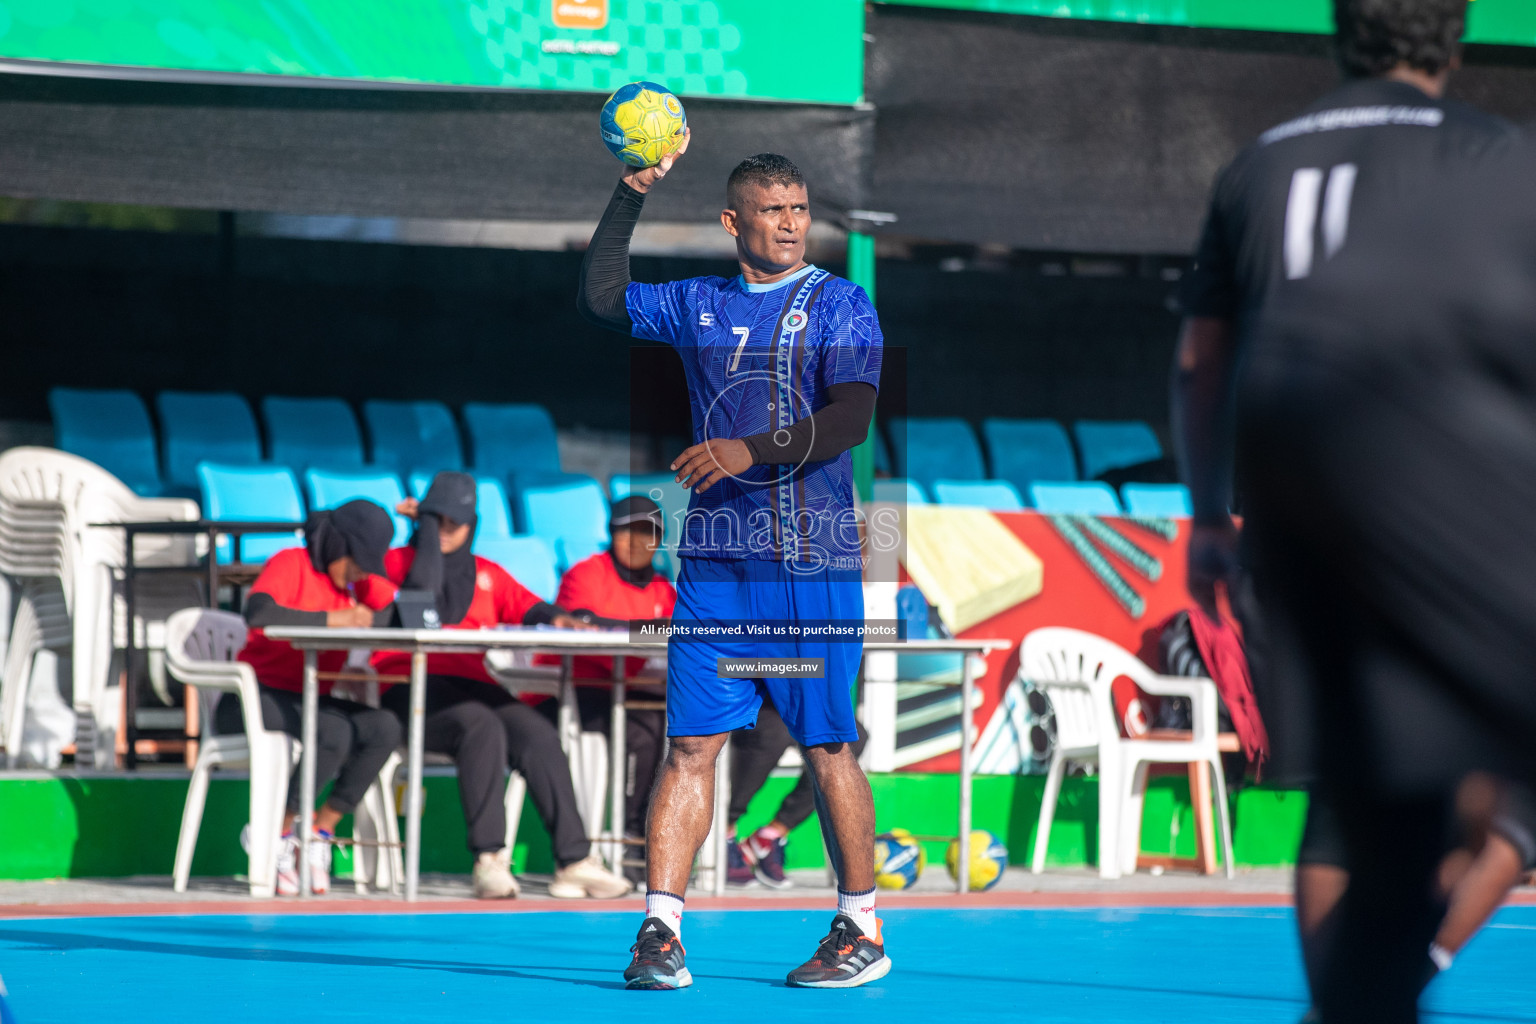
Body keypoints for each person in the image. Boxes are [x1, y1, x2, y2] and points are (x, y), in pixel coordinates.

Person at [1174, 2, 1533, 1017]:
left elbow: (1203, 362)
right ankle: (1399, 977)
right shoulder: (1491, 156)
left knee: (1352, 791)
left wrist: (1207, 516)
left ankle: (1359, 996)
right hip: (1457, 491)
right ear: (1456, 42)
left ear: (1338, 41)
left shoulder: (1259, 164)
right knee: (1483, 790)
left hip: (1301, 496)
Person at [580, 141, 888, 989]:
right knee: (690, 747)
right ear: (733, 222)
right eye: (774, 211)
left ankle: (860, 927)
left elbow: (852, 419)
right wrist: (629, 191)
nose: (792, 224)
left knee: (827, 744)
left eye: (799, 209)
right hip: (716, 569)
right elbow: (604, 296)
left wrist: (746, 451)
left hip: (808, 563)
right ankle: (659, 932)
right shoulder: (699, 303)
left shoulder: (841, 304)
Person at [375, 471, 631, 901]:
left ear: (472, 524)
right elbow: (411, 606)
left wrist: (560, 618)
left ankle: (574, 862)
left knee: (538, 734)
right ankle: (489, 859)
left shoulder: (487, 573)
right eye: (436, 519)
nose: (445, 530)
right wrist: (425, 540)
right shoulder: (394, 564)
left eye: (454, 522)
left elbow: (530, 606)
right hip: (409, 685)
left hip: (472, 682)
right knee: (482, 726)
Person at [220, 499, 401, 896]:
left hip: (308, 697)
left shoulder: (357, 582)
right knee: (334, 730)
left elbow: (399, 612)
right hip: (254, 696)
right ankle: (276, 833)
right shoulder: (292, 562)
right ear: (338, 546)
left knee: (383, 727)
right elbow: (259, 612)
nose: (362, 572)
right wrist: (335, 619)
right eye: (357, 561)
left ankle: (319, 830)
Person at [532, 495, 676, 880]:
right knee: (644, 729)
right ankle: (630, 837)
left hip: (636, 690)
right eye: (626, 532)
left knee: (680, 727)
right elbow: (584, 622)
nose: (635, 542)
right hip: (578, 691)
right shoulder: (585, 573)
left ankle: (654, 837)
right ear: (611, 535)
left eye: (647, 533)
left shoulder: (664, 589)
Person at [726, 699, 868, 889]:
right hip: (752, 698)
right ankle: (724, 830)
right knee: (773, 733)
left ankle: (769, 835)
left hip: (802, 697)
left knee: (851, 738)